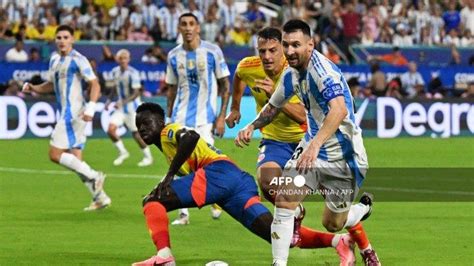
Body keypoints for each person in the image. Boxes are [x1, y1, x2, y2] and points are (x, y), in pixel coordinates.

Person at [132, 102, 352, 266]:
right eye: (138, 126)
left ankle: (164, 257)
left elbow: (190, 136)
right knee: (279, 236)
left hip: (218, 174)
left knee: (152, 201)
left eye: (146, 122)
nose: (142, 129)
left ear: (160, 121)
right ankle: (338, 242)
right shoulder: (167, 146)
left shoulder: (167, 131)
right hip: (234, 180)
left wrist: (170, 176)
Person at [236, 20, 380, 266]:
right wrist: (252, 125)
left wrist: (316, 144)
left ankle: (361, 210)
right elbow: (273, 107)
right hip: (310, 149)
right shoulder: (291, 75)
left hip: (343, 157)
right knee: (284, 200)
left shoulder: (322, 73)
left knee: (333, 223)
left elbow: (339, 110)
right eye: (286, 45)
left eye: (296, 45)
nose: (290, 51)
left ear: (310, 45)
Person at [22, 25, 111, 211]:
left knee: (54, 154)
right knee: (76, 160)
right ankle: (100, 197)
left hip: (74, 115)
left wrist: (92, 108)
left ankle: (95, 176)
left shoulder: (78, 59)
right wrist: (33, 88)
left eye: (66, 37)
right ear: (55, 40)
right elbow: (50, 85)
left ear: (72, 40)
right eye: (59, 37)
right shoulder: (54, 60)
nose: (62, 40)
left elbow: (95, 85)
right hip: (67, 114)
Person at [166, 13, 230, 223]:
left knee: (208, 163)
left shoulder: (212, 51)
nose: (187, 28)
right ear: (179, 28)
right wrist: (168, 116)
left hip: (205, 118)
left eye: (191, 24)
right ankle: (183, 213)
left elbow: (225, 86)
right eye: (183, 24)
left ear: (198, 27)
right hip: (180, 116)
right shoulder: (173, 56)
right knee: (178, 163)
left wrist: (222, 116)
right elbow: (172, 88)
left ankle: (216, 198)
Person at [105, 49, 153, 167]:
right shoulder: (115, 72)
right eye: (121, 58)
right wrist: (108, 101)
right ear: (118, 59)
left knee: (136, 134)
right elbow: (114, 89)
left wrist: (122, 102)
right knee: (111, 130)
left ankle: (148, 157)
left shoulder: (133, 73)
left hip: (133, 109)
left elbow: (136, 92)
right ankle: (123, 152)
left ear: (129, 59)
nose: (123, 61)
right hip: (121, 109)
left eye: (125, 58)